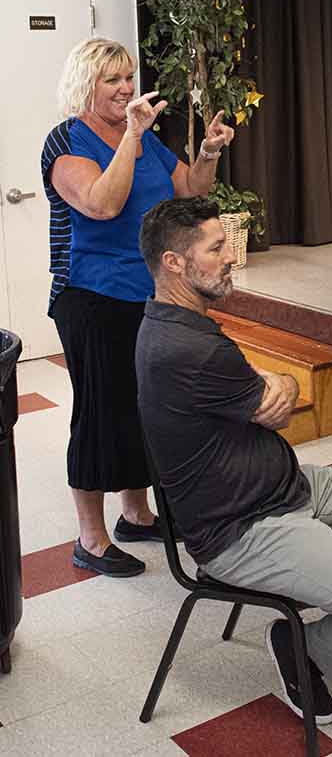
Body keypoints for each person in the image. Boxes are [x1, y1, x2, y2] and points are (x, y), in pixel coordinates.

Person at [134, 196, 332, 724]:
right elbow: (276, 410)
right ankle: (303, 647)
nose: (232, 254)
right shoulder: (186, 347)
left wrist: (271, 384)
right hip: (244, 527)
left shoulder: (180, 322)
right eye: (216, 247)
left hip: (281, 485)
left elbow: (271, 391)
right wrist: (272, 385)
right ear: (175, 263)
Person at [40, 38, 234, 577]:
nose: (126, 87)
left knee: (142, 407)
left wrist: (211, 152)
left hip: (146, 295)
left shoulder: (147, 138)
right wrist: (129, 136)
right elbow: (103, 204)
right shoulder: (66, 141)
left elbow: (190, 195)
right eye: (112, 80)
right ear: (86, 84)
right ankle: (91, 538)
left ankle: (135, 513)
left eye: (129, 77)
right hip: (91, 297)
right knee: (101, 412)